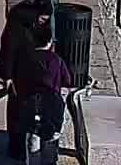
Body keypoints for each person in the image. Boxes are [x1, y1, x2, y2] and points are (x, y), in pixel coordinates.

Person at [8, 20, 73, 160]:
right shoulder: (56, 60)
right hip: (52, 107)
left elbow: (16, 83)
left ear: (31, 39)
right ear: (50, 42)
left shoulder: (23, 59)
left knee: (32, 138)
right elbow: (67, 81)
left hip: (28, 105)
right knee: (50, 140)